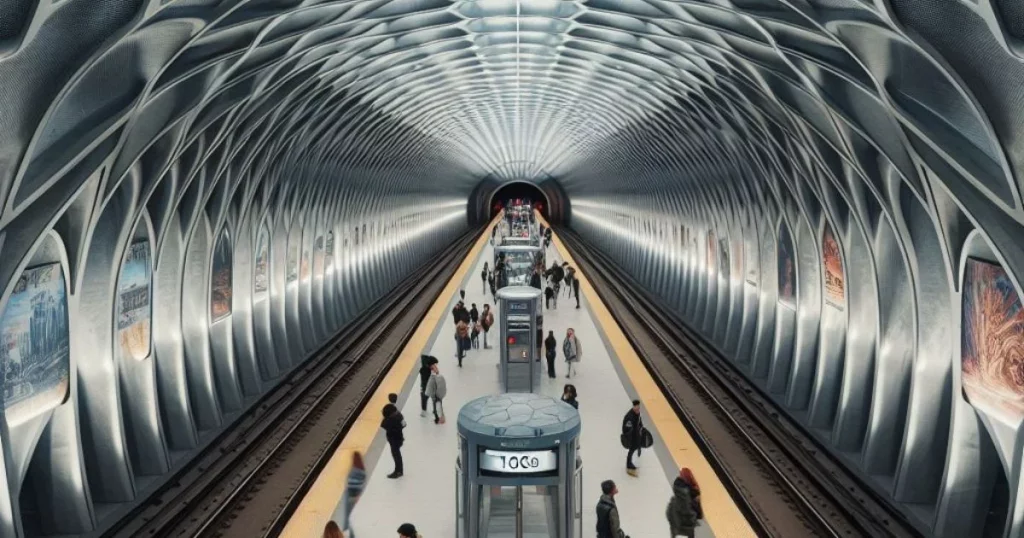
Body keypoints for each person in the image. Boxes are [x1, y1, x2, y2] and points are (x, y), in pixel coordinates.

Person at [667, 468, 701, 538]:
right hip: (685, 524)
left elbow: (668, 513)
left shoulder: (676, 499)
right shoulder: (686, 495)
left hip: (680, 524)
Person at [381, 401, 405, 478]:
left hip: (395, 440)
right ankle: (399, 470)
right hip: (398, 439)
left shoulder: (392, 420)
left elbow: (383, 425)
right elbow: (404, 424)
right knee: (397, 455)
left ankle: (398, 471)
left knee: (396, 455)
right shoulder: (399, 416)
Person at [622, 400, 644, 476]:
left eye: (639, 408)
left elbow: (639, 421)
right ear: (633, 407)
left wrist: (641, 427)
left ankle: (630, 462)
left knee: (634, 448)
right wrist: (629, 437)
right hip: (632, 437)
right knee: (631, 450)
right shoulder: (629, 416)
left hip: (636, 435)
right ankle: (629, 464)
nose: (638, 410)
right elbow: (626, 429)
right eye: (637, 408)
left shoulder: (637, 413)